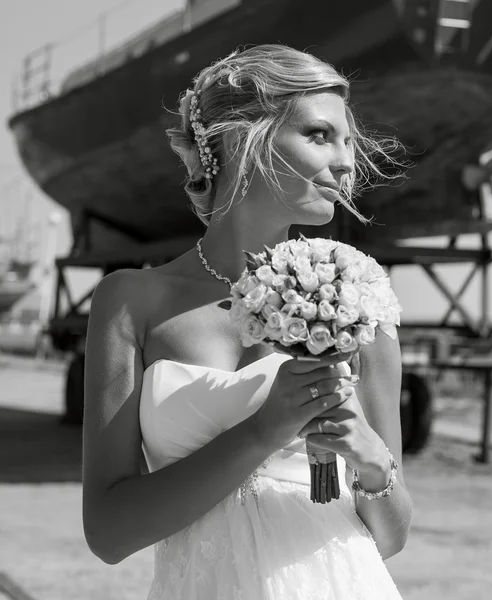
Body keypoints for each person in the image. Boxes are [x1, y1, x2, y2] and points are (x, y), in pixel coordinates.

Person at [82, 44, 413, 599]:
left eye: (349, 142)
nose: (347, 162)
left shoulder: (357, 296)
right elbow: (109, 534)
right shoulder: (130, 301)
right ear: (243, 139)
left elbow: (392, 537)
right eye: (319, 135)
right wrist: (264, 431)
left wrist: (375, 463)